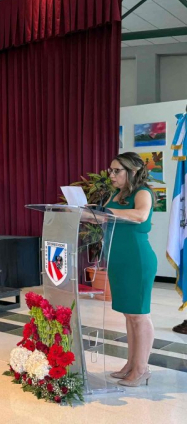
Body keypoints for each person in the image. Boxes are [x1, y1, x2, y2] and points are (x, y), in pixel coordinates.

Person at [103, 152, 157, 387]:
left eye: (117, 171)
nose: (111, 175)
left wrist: (106, 212)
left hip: (137, 258)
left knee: (139, 314)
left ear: (132, 172)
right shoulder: (116, 194)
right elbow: (104, 218)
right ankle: (131, 364)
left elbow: (140, 215)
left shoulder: (142, 192)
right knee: (129, 314)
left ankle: (142, 369)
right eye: (111, 170)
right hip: (118, 259)